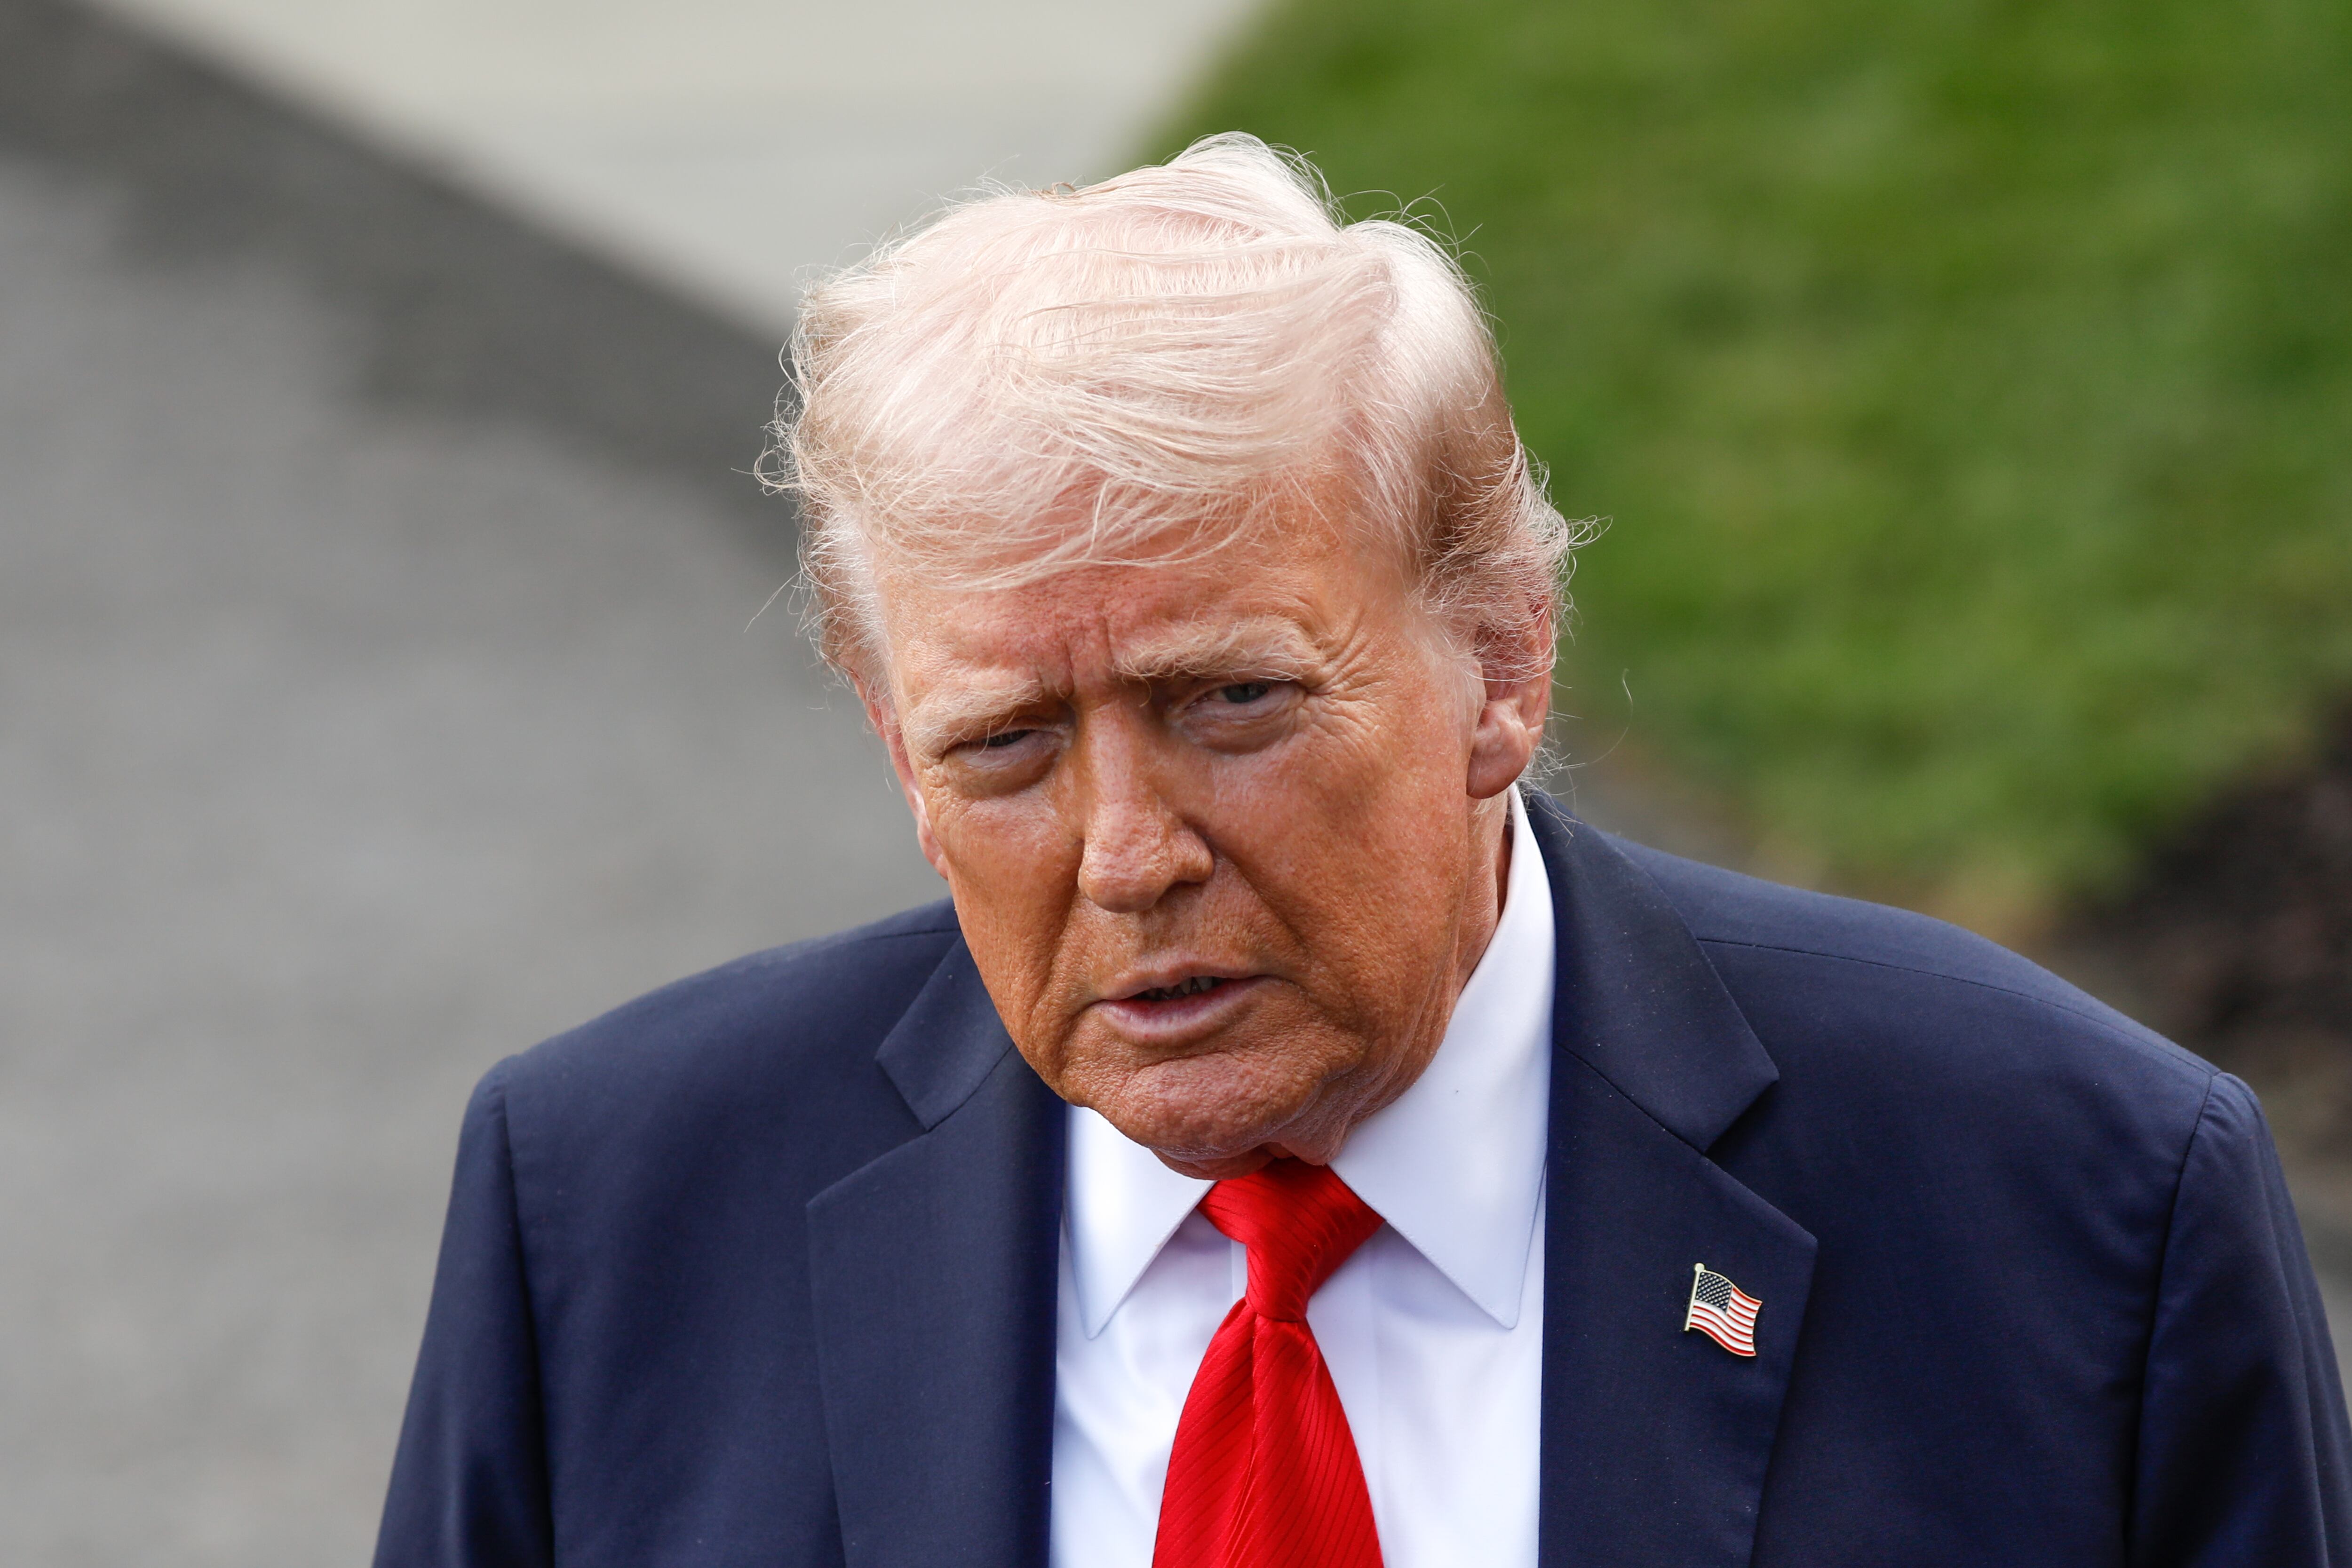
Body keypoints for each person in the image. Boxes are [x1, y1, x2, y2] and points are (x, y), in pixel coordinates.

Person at [373, 135, 2351, 1568]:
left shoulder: (2076, 1214)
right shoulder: (607, 1220)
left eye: (1228, 703)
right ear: (897, 746)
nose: (1128, 853)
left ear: (1498, 660)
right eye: (1005, 748)